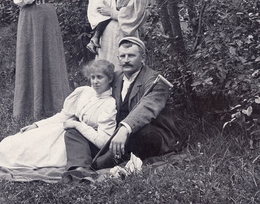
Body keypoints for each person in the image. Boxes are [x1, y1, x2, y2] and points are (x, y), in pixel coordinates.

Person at [0, 59, 119, 181]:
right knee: (23, 141)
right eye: (92, 77)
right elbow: (63, 116)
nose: (95, 82)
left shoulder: (109, 104)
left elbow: (103, 142)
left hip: (82, 142)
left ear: (110, 79)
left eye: (100, 77)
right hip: (64, 130)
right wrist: (37, 125)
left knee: (40, 154)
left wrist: (77, 125)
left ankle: (80, 169)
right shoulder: (84, 92)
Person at [64, 36, 179, 173]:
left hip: (148, 134)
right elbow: (98, 93)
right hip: (115, 134)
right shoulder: (116, 77)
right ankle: (80, 167)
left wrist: (125, 129)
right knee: (73, 131)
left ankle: (101, 164)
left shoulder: (155, 80)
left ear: (143, 58)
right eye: (122, 56)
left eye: (131, 56)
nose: (126, 60)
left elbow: (147, 107)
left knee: (142, 133)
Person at [10, 0, 82, 121]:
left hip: (48, 14)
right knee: (30, 56)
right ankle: (29, 108)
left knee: (51, 55)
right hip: (30, 16)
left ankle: (54, 105)